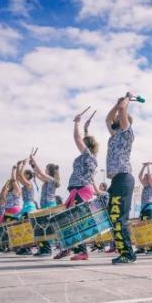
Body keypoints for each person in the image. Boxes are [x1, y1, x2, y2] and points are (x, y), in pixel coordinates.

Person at [60, 112, 99, 261]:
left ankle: (82, 251)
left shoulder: (88, 155)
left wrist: (76, 122)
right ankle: (68, 248)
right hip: (78, 190)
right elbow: (84, 140)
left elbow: (77, 139)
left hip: (81, 190)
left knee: (76, 220)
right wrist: (86, 129)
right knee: (69, 220)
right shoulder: (89, 156)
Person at [106, 94, 136, 264]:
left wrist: (126, 100)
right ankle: (125, 252)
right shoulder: (114, 134)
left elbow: (122, 110)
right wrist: (117, 103)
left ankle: (128, 254)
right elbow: (107, 119)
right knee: (114, 217)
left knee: (119, 218)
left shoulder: (126, 133)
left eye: (119, 117)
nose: (116, 117)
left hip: (124, 178)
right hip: (117, 180)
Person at [30, 155, 60, 256]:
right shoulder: (48, 179)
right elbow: (39, 175)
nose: (45, 170)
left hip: (49, 205)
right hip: (46, 205)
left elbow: (40, 173)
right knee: (42, 228)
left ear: (50, 171)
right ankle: (43, 249)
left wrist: (34, 160)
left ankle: (46, 250)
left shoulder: (50, 179)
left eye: (46, 168)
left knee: (45, 228)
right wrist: (33, 165)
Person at [136, 162, 152, 254]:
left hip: (149, 209)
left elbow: (151, 179)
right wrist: (143, 166)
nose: (143, 179)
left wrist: (148, 167)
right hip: (143, 209)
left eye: (145, 178)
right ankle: (142, 247)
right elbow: (139, 176)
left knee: (148, 228)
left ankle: (151, 248)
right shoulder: (145, 187)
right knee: (141, 228)